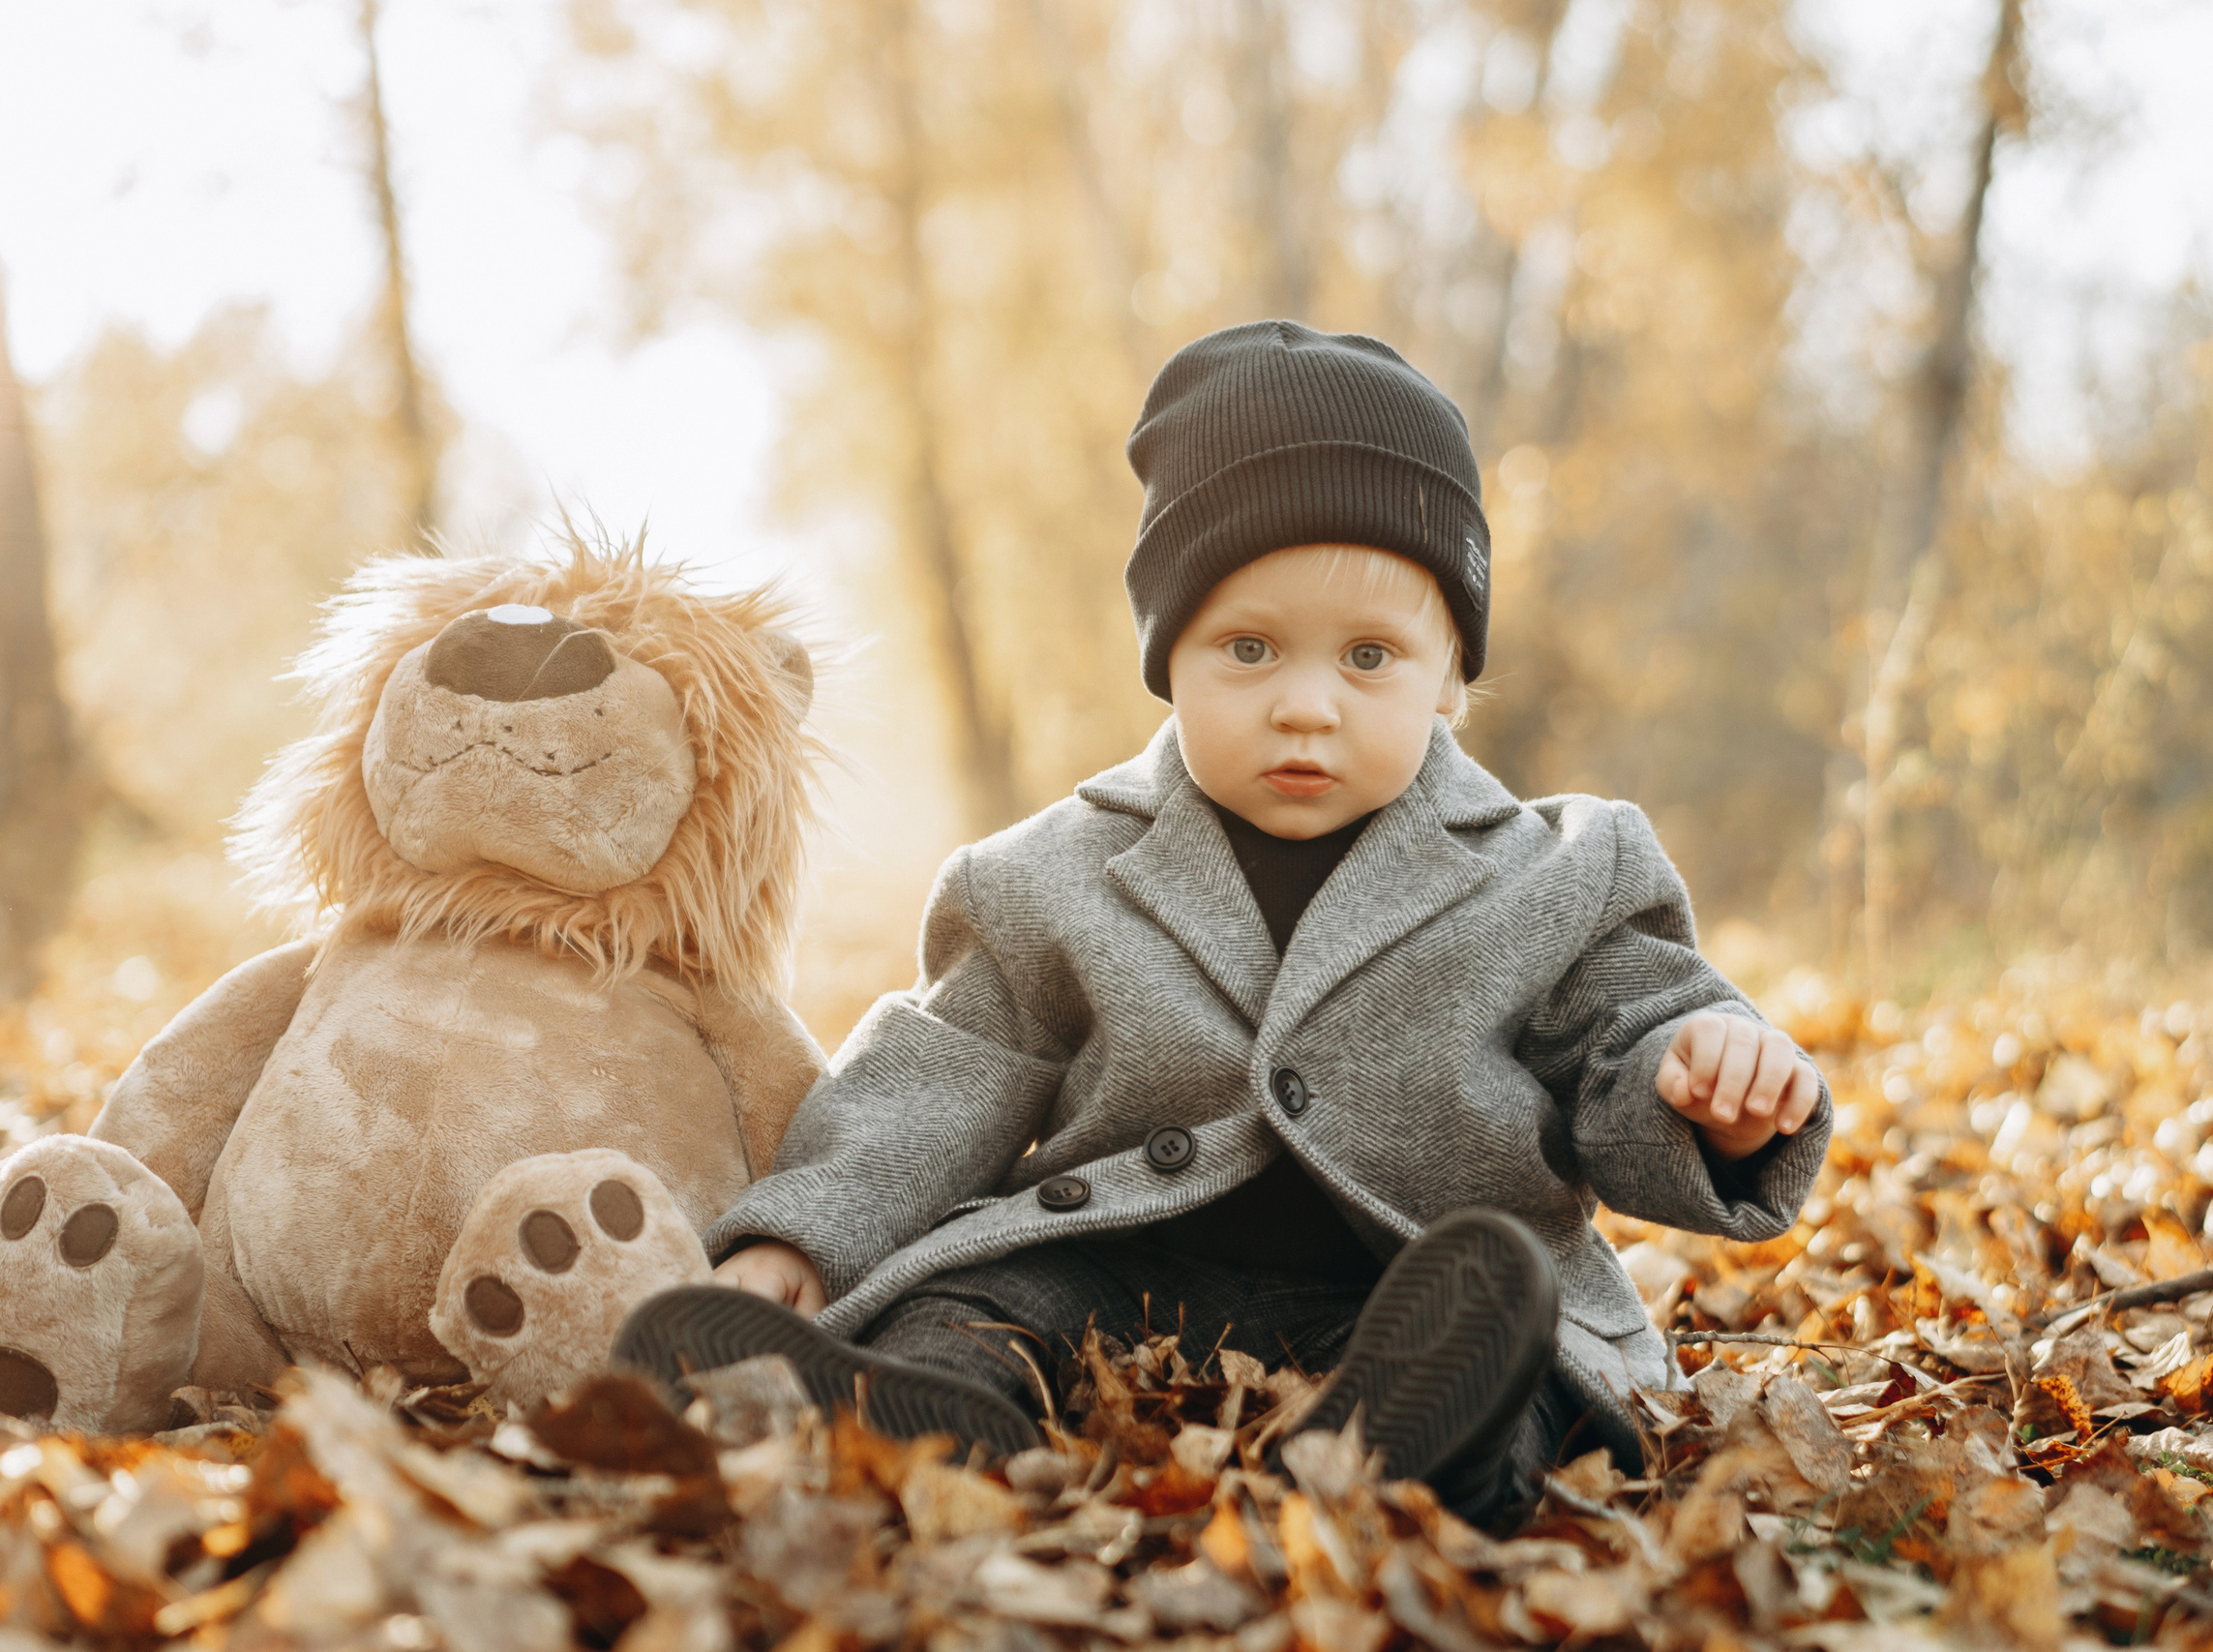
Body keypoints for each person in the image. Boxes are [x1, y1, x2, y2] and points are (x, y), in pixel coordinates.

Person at [615, 320, 1830, 1520]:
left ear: (1451, 675)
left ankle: (1432, 1448)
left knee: (1510, 1342)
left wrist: (1703, 1088)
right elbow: (937, 1074)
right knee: (983, 1307)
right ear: (1170, 659)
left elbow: (1631, 1034)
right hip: (1117, 1268)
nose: (1306, 705)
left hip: (1403, 1279)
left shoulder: (1562, 870)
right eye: (1247, 649)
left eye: (1368, 657)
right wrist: (802, 1240)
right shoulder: (1052, 872)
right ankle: (918, 1412)